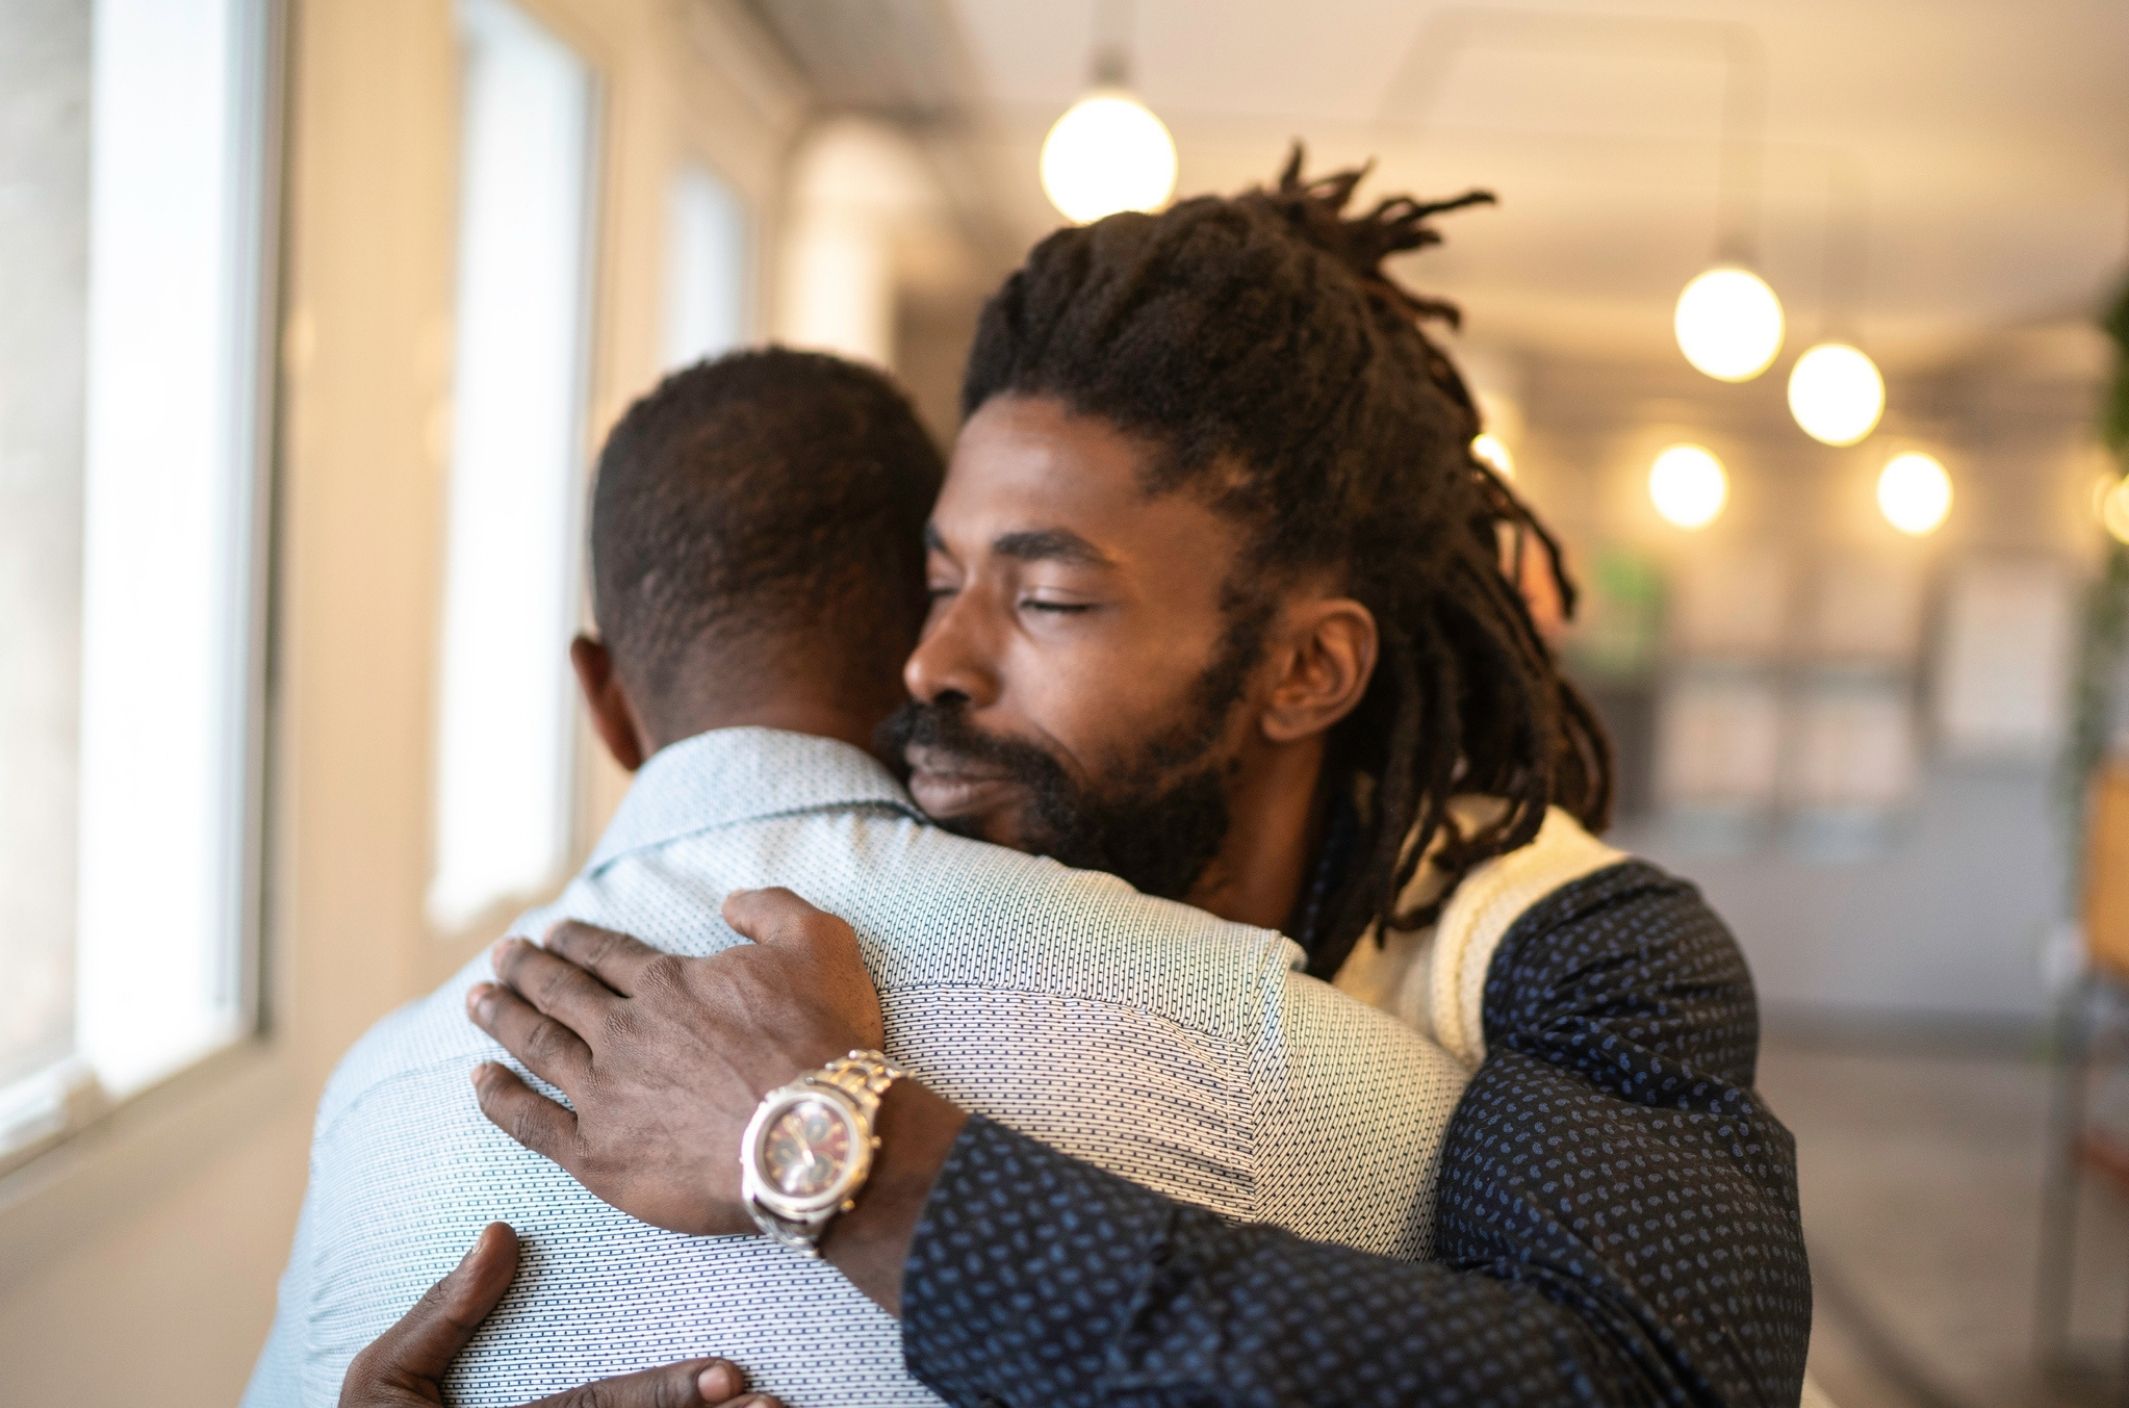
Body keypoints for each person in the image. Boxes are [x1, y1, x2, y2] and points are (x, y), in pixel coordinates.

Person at [346, 154, 1810, 1406]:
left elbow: (1633, 1384)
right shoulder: (910, 899)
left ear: (1306, 672)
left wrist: (837, 1154)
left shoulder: (1580, 952)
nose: (932, 664)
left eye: (1045, 601)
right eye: (939, 580)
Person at [249, 345, 1473, 1406]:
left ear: (604, 697)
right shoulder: (1294, 1059)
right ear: (921, 640)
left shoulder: (375, 1100)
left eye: (1048, 593)